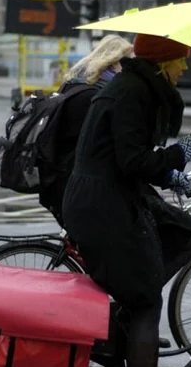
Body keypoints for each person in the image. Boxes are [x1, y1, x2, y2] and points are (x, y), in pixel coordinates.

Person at [62, 33, 191, 367]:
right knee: (146, 301)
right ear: (162, 63)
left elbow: (128, 155)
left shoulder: (134, 88)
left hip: (103, 200)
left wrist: (170, 174)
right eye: (181, 60)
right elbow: (133, 160)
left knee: (179, 233)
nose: (185, 67)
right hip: (105, 206)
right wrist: (179, 155)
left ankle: (122, 338)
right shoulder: (133, 93)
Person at [38, 34, 133, 228]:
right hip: (75, 187)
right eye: (128, 64)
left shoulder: (76, 84)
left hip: (57, 181)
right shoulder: (95, 96)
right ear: (115, 62)